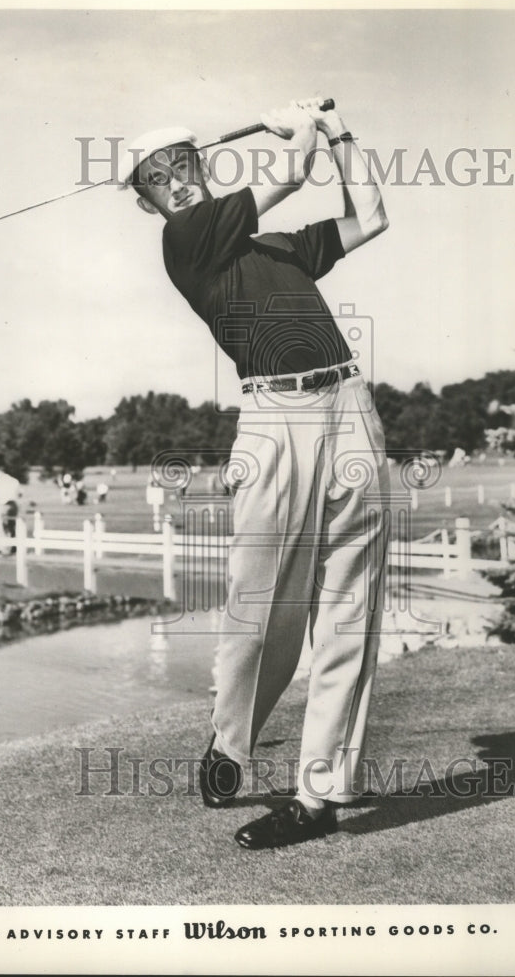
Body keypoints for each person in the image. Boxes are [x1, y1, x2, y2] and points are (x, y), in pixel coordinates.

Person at [118, 98, 390, 849]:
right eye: (154, 179)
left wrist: (340, 134)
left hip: (349, 406)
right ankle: (230, 742)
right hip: (274, 421)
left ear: (200, 167)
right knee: (259, 603)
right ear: (148, 204)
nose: (172, 182)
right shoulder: (187, 239)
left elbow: (368, 217)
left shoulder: (272, 248)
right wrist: (296, 126)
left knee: (347, 609)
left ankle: (318, 797)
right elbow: (290, 169)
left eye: (180, 166)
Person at [0, 466, 21, 554]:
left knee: (2, 527)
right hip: (13, 505)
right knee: (12, 526)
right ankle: (14, 546)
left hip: (3, 504)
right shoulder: (14, 480)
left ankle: (4, 547)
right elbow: (19, 494)